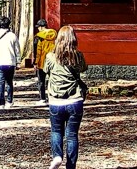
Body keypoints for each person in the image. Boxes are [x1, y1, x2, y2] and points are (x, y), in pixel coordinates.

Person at [43, 25, 88, 169]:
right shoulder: (78, 56)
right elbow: (83, 68)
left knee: (56, 131)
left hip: (56, 101)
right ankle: (71, 166)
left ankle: (57, 156)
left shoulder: (50, 56)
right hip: (75, 100)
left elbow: (46, 71)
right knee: (72, 135)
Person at [0, 16, 20, 109]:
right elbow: (17, 50)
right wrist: (18, 62)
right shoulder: (13, 36)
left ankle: (1, 103)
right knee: (9, 82)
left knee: (0, 83)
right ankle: (9, 101)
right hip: (10, 62)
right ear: (8, 25)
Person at [33, 18, 57, 104]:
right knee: (53, 80)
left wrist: (35, 62)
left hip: (42, 62)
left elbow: (37, 51)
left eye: (38, 27)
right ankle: (53, 97)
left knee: (41, 81)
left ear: (41, 27)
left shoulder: (38, 37)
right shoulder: (54, 35)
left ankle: (42, 99)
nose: (38, 29)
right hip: (53, 61)